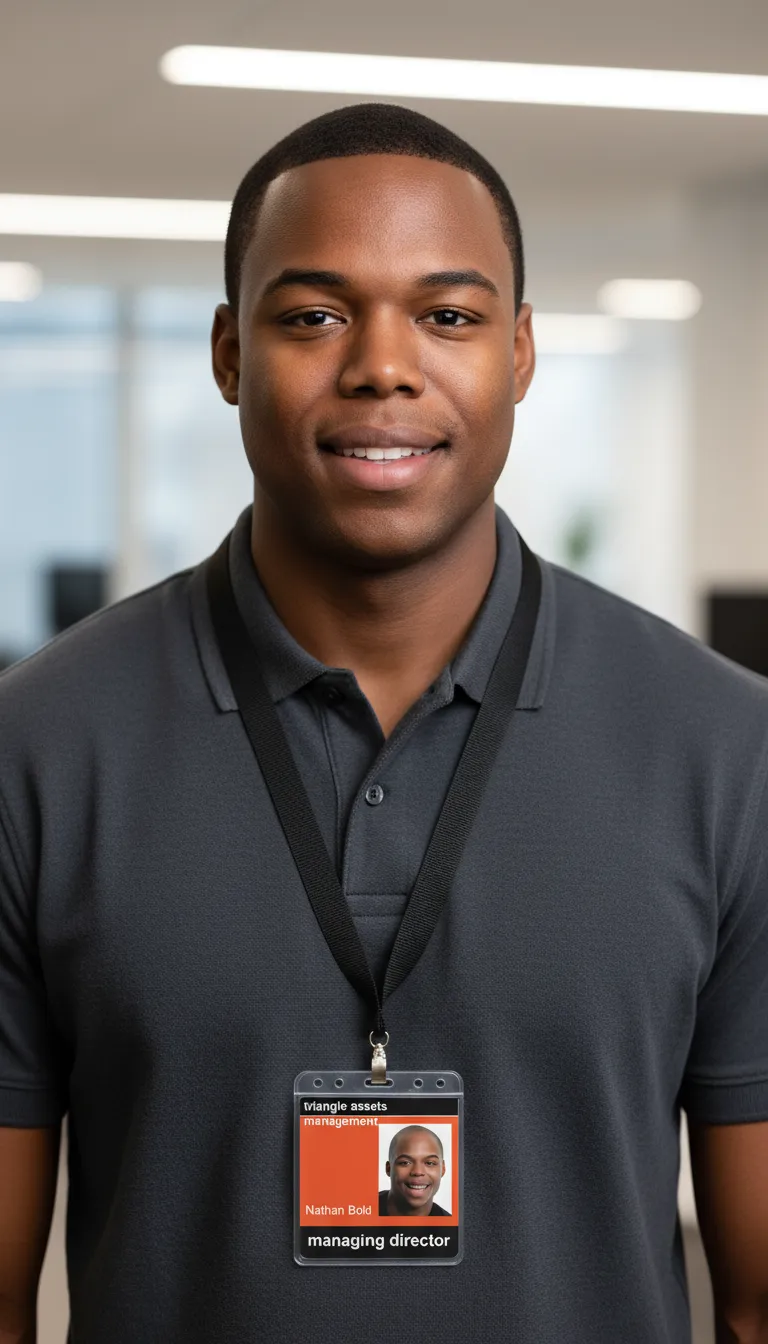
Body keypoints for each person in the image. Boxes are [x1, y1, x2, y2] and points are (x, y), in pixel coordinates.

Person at [0, 100, 767, 1344]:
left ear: (520, 354)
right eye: (313, 315)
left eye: (449, 316)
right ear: (229, 353)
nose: (383, 364)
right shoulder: (35, 751)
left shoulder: (731, 756)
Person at [378, 1125, 450, 1216]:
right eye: (405, 1163)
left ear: (443, 1169)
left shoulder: (455, 1227)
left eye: (430, 1163)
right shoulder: (360, 1210)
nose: (418, 1172)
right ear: (389, 1169)